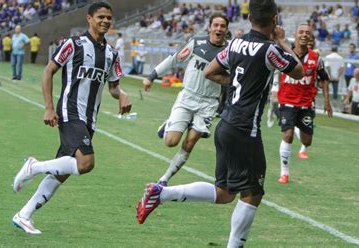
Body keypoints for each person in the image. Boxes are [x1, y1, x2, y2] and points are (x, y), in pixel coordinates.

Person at [136, 1, 303, 247]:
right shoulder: (270, 50)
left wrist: (235, 82)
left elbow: (210, 71)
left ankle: (162, 193)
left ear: (249, 18)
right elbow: (299, 71)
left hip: (226, 123)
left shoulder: (235, 43)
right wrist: (284, 41)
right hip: (246, 129)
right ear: (275, 19)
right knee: (253, 194)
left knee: (225, 194)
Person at [12, 2, 132, 234]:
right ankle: (34, 166)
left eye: (109, 17)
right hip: (70, 111)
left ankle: (24, 215)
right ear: (89, 18)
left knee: (63, 171)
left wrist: (123, 95)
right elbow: (48, 71)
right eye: (101, 17)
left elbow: (114, 87)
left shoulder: (112, 54)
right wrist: (48, 107)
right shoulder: (73, 44)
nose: (106, 21)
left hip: (89, 118)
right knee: (86, 163)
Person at [142, 12, 229, 186]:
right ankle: (168, 124)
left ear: (226, 29)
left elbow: (233, 77)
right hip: (187, 97)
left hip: (208, 103)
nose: (218, 28)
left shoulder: (230, 51)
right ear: (210, 27)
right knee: (171, 142)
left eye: (222, 26)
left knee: (190, 142)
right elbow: (174, 60)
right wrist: (151, 76)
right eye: (216, 25)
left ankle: (164, 179)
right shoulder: (196, 43)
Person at [277, 24, 332, 184]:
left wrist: (327, 102)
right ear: (295, 35)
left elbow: (324, 79)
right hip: (287, 102)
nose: (304, 35)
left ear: (310, 37)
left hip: (306, 104)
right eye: (301, 32)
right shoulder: (285, 54)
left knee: (306, 141)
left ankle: (296, 128)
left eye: (307, 33)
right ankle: (284, 173)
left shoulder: (316, 59)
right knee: (287, 136)